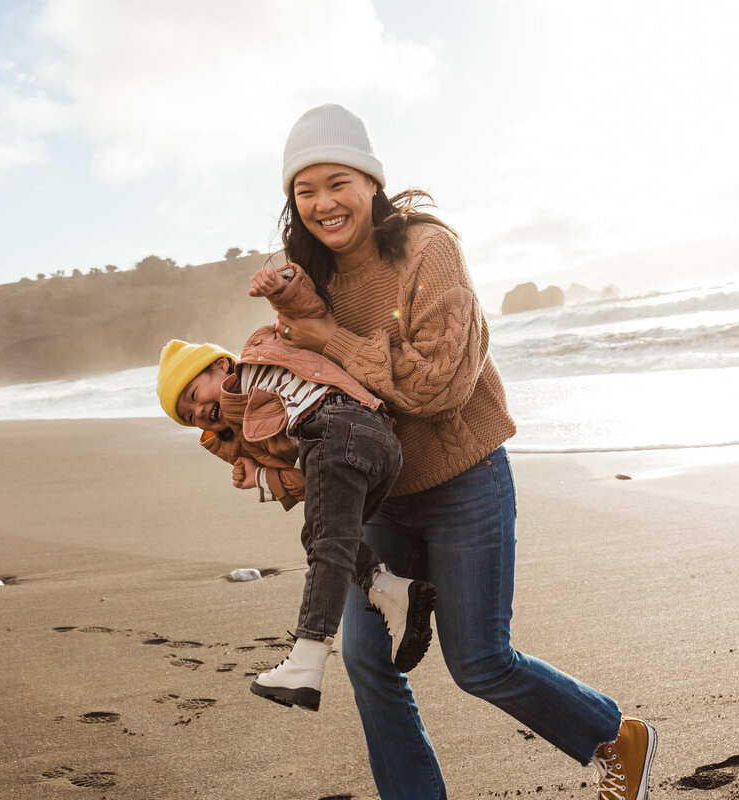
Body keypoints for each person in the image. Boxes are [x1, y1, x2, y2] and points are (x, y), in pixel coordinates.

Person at [271, 103, 656, 800]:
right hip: (382, 498)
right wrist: (251, 431)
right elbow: (305, 392)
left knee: (479, 663)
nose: (324, 203)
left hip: (463, 481)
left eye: (338, 182)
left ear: (370, 183)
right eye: (306, 189)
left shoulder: (428, 250)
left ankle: (613, 737)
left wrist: (325, 334)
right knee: (365, 656)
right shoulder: (306, 281)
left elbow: (436, 386)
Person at [155, 262, 437, 713]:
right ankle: (395, 592)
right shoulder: (255, 438)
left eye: (194, 394)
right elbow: (308, 481)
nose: (198, 412)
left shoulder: (260, 351)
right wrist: (262, 475)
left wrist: (283, 286)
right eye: (187, 416)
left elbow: (301, 313)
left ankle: (307, 657)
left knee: (326, 540)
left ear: (220, 366)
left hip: (344, 420)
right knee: (322, 532)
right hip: (370, 448)